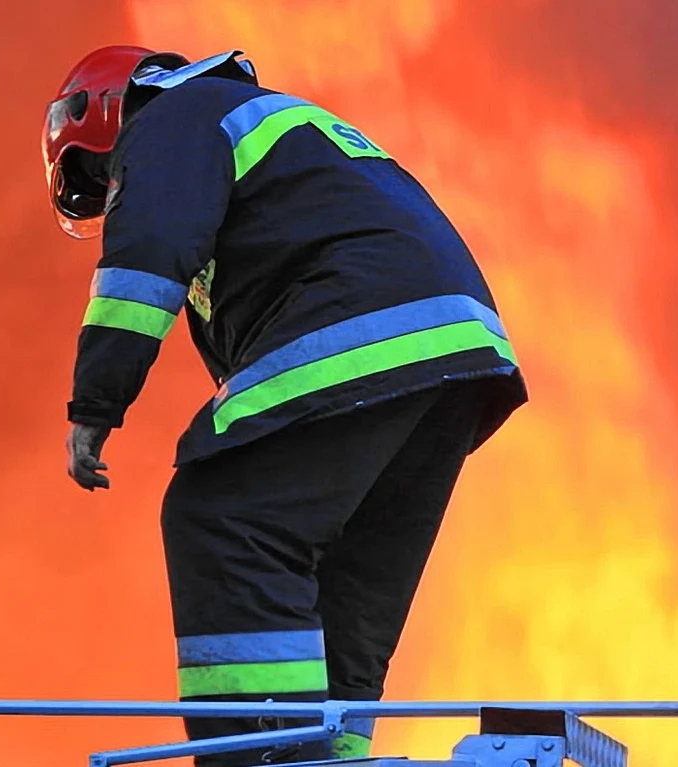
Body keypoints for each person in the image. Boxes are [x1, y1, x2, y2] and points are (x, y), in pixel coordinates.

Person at [41, 45, 528, 766]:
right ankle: (332, 753)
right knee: (345, 578)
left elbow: (146, 255)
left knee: (224, 514)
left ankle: (260, 751)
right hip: (452, 356)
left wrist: (95, 404)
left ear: (107, 111)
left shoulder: (176, 117)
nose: (112, 193)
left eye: (100, 175)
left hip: (366, 325)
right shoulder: (273, 136)